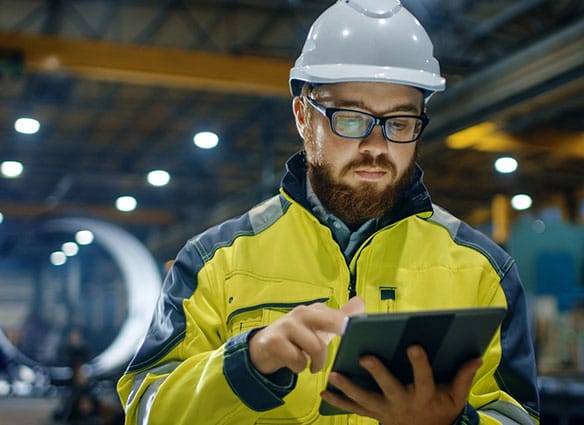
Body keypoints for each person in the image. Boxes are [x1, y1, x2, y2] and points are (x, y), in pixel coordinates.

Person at [117, 1, 540, 424]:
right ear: (303, 117)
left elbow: (517, 416)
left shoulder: (484, 271)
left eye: (399, 122)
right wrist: (247, 363)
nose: (377, 145)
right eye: (351, 119)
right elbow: (146, 409)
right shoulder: (215, 262)